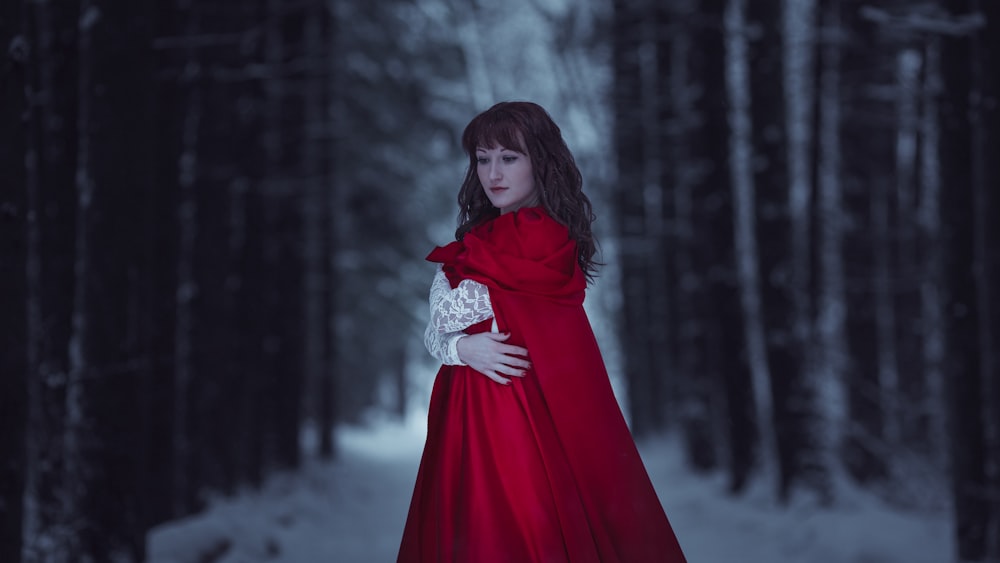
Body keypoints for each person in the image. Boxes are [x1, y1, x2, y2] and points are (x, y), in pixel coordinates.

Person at [397, 101, 686, 563]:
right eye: (483, 158)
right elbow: (438, 332)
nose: (493, 172)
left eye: (509, 157)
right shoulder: (479, 241)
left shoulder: (541, 244)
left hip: (518, 421)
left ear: (540, 162)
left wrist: (453, 336)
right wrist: (460, 348)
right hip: (467, 413)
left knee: (515, 538)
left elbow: (446, 316)